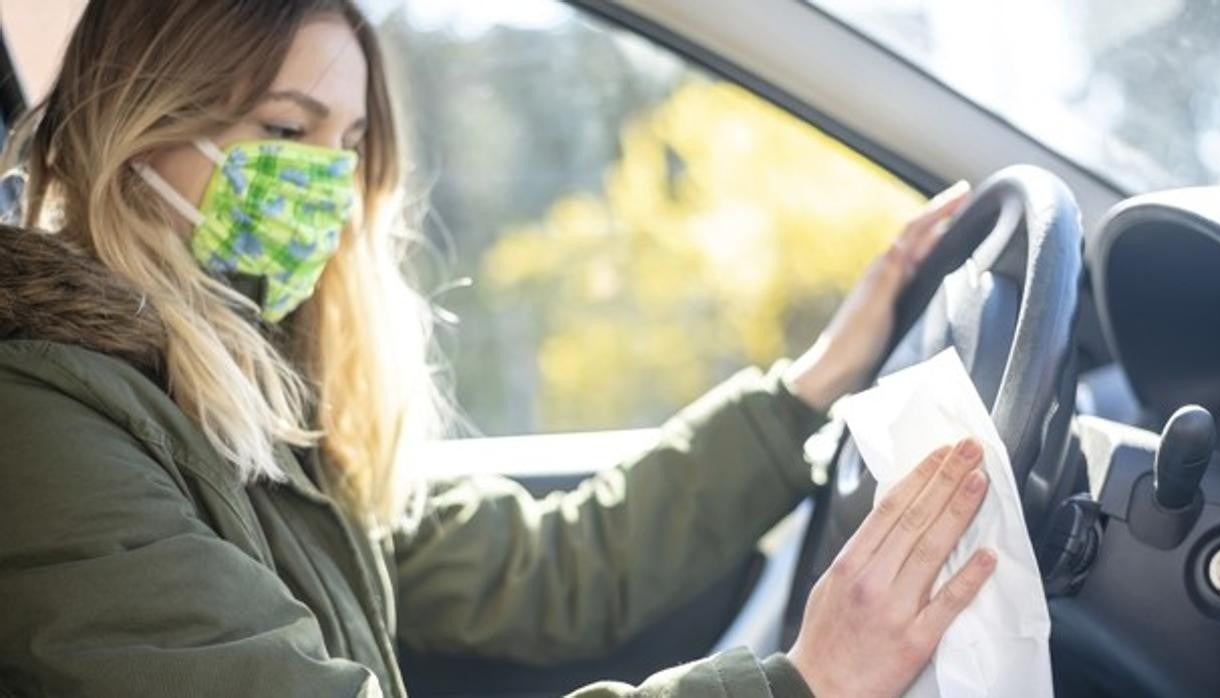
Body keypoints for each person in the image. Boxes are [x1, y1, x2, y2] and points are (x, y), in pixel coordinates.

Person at [0, 2, 996, 696]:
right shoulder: (43, 419)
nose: (324, 183)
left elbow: (554, 564)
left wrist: (810, 386)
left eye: (344, 146)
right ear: (139, 122)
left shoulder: (255, 395)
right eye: (284, 127)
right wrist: (800, 683)